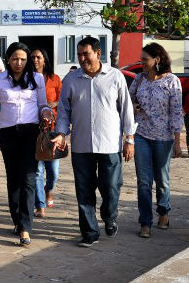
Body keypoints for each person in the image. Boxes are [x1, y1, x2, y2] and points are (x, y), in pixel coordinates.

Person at [52, 36, 136, 248]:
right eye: (79, 55)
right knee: (84, 190)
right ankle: (90, 232)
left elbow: (127, 109)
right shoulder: (71, 80)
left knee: (111, 187)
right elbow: (63, 112)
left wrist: (130, 139)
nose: (82, 58)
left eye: (86, 54)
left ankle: (109, 216)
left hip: (110, 144)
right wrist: (61, 133)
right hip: (81, 145)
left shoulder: (115, 77)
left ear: (98, 54)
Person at [0, 42, 53, 246]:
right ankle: (17, 219)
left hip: (31, 132)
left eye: (23, 59)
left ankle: (25, 227)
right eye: (15, 59)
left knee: (29, 177)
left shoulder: (37, 78)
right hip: (7, 133)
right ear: (8, 59)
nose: (19, 63)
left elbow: (42, 103)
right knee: (13, 177)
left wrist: (46, 113)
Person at [130, 43, 183, 238]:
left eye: (145, 59)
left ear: (157, 60)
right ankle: (145, 222)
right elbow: (128, 99)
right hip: (141, 135)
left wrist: (177, 141)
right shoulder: (139, 79)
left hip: (164, 137)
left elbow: (176, 112)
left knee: (162, 180)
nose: (142, 62)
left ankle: (164, 211)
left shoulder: (172, 81)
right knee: (144, 181)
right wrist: (134, 107)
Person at [31, 48, 62, 218]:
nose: (35, 60)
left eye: (39, 57)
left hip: (52, 129)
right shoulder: (27, 79)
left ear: (45, 60)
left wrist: (52, 104)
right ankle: (40, 204)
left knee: (53, 171)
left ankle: (48, 190)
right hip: (34, 128)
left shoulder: (54, 79)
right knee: (37, 170)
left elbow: (63, 100)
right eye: (33, 57)